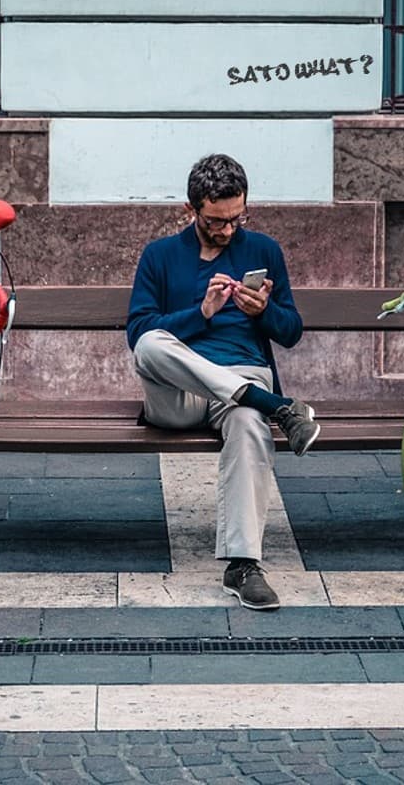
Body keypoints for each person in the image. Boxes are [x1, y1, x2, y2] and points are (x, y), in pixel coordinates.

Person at [126, 153, 320, 611]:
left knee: (250, 422)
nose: (229, 229)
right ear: (192, 209)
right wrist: (202, 314)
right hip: (177, 394)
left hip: (240, 377)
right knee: (152, 343)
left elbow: (291, 331)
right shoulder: (159, 256)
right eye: (217, 221)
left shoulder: (264, 251)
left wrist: (262, 312)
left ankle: (243, 564)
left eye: (237, 218)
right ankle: (274, 404)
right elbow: (138, 331)